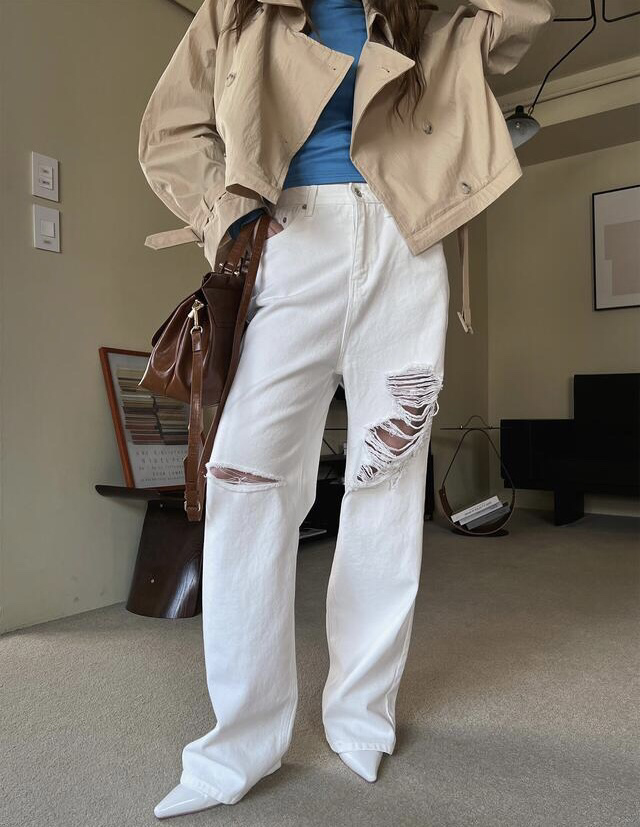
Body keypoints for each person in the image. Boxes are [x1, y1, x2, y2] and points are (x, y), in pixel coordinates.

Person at [138, 0, 554, 818]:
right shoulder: (240, 10)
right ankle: (239, 743)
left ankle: (360, 714)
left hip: (406, 244)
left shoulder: (421, 14)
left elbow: (523, 14)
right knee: (246, 483)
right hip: (288, 236)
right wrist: (229, 216)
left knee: (386, 484)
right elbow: (169, 131)